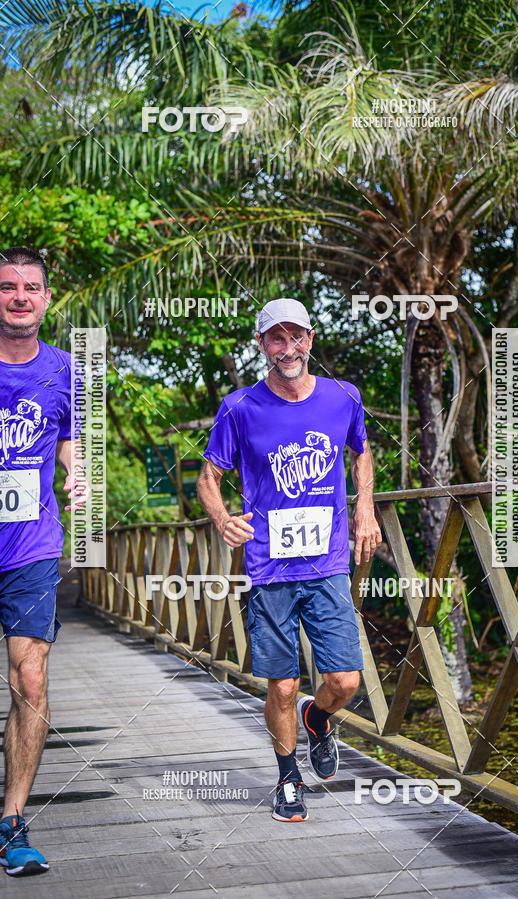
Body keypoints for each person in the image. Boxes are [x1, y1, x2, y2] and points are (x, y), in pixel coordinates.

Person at [198, 297, 381, 822]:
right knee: (281, 683)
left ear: (310, 339)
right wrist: (221, 517)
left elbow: (361, 449)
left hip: (327, 564)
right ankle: (287, 778)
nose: (288, 347)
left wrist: (364, 505)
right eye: (276, 338)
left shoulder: (343, 397)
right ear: (262, 346)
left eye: (295, 336)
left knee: (345, 681)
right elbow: (208, 476)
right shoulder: (239, 408)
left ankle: (319, 719)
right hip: (269, 568)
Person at [0, 247, 87, 876]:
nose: (20, 297)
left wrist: (80, 477)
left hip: (31, 545)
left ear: (47, 298)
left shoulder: (65, 370)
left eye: (31, 287)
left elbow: (69, 447)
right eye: (8, 287)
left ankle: (12, 819)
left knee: (30, 680)